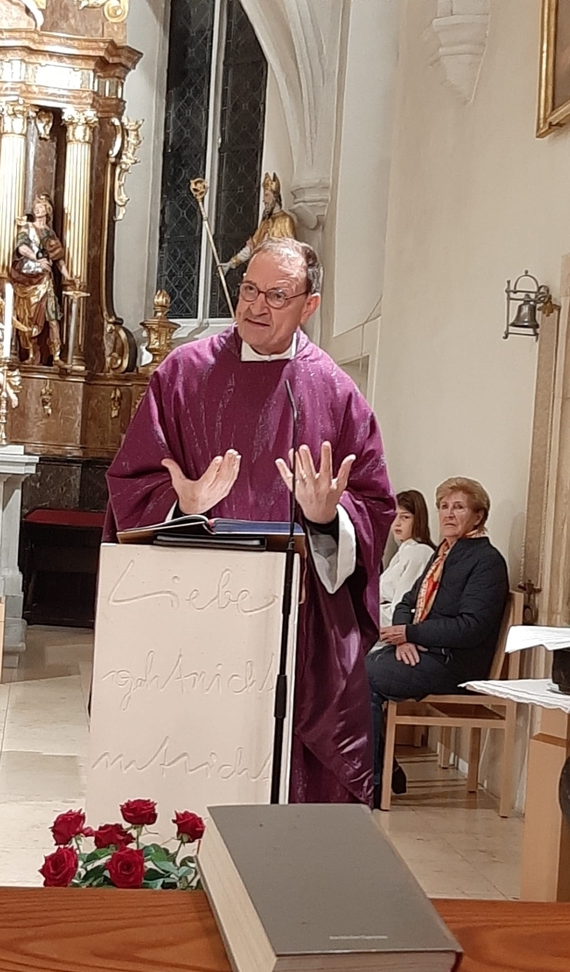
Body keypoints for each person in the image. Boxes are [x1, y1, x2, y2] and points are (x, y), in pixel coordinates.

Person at [105, 237, 396, 807]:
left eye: (276, 295)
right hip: (190, 617)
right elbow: (132, 481)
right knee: (186, 764)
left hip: (294, 623)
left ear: (309, 305)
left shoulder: (334, 392)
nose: (256, 307)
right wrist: (181, 505)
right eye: (248, 290)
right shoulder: (183, 374)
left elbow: (373, 505)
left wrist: (326, 518)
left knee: (277, 775)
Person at [366, 477, 509, 805]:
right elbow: (407, 602)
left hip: (455, 665)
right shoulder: (443, 554)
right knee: (356, 670)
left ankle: (373, 782)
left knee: (362, 677)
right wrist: (403, 638)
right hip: (424, 653)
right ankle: (382, 770)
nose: (448, 514)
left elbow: (471, 627)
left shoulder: (487, 561)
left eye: (458, 507)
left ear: (478, 516)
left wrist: (411, 634)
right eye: (443, 506)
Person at [10, 194, 69, 365]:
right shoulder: (27, 228)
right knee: (29, 317)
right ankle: (30, 354)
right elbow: (21, 248)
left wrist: (68, 276)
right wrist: (38, 258)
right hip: (28, 277)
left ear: (47, 210)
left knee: (52, 316)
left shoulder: (49, 233)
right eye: (35, 206)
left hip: (45, 280)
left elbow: (58, 258)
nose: (37, 209)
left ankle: (56, 355)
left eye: (41, 206)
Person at [379, 489, 435, 629]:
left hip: (391, 629)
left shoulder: (419, 552)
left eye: (405, 517)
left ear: (418, 519)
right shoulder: (402, 552)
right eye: (394, 516)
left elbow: (400, 610)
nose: (397, 523)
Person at [222, 173, 296, 273]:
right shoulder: (265, 222)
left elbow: (292, 251)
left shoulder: (286, 220)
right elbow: (252, 246)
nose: (264, 200)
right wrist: (231, 263)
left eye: (267, 195)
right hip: (261, 270)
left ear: (275, 197)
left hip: (277, 272)